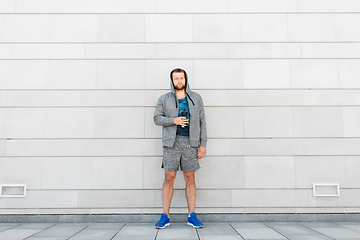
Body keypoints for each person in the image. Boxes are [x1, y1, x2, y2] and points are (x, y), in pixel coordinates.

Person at [153, 68, 207, 229]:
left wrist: (203, 144)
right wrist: (173, 121)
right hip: (171, 143)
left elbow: (202, 122)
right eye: (176, 78)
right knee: (169, 178)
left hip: (191, 143)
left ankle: (192, 215)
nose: (179, 81)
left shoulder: (196, 98)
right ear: (172, 81)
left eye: (181, 78)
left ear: (186, 79)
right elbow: (156, 118)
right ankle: (165, 216)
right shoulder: (164, 99)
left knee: (190, 178)